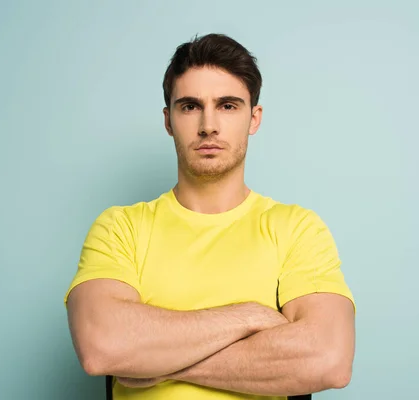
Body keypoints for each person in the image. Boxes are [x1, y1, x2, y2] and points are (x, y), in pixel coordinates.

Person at [64, 33, 356, 400]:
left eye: (228, 106)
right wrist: (248, 316)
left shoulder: (296, 229)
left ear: (255, 118)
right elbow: (102, 346)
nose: (208, 125)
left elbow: (328, 360)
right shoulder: (121, 228)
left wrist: (156, 362)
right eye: (190, 106)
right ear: (169, 120)